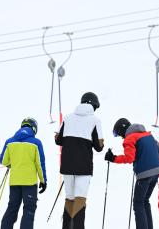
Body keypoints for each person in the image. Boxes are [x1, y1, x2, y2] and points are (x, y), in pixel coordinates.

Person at [55, 92, 104, 228]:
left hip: (67, 166)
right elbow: (99, 147)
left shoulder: (67, 118)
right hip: (84, 167)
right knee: (80, 200)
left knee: (69, 199)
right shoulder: (95, 120)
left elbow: (58, 140)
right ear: (94, 105)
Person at [105, 118, 159, 229]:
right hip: (156, 171)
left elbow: (129, 158)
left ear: (123, 130)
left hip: (145, 174)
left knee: (138, 203)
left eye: (119, 134)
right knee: (144, 201)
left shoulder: (129, 139)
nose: (122, 137)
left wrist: (112, 158)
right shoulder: (147, 134)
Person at [0, 118, 47, 229]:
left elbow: (3, 161)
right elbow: (40, 164)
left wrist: (14, 161)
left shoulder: (10, 141)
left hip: (14, 182)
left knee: (12, 208)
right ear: (34, 128)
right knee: (29, 210)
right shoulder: (36, 143)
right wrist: (43, 181)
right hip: (29, 183)